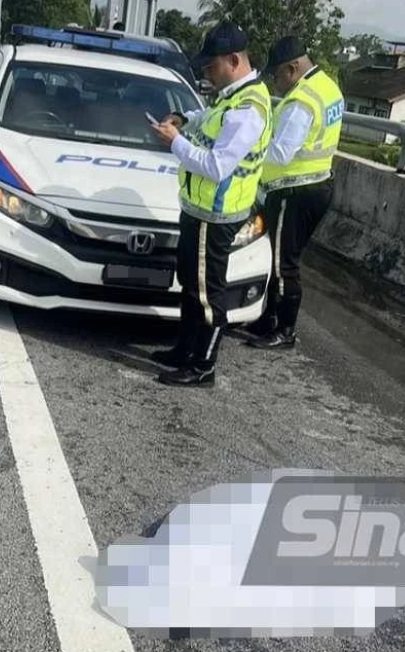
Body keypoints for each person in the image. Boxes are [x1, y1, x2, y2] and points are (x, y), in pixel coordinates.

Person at [147, 22, 273, 387]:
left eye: (210, 66)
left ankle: (203, 366)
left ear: (233, 60)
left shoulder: (249, 109)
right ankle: (184, 349)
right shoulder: (234, 95)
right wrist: (185, 121)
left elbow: (217, 167)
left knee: (207, 293)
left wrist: (175, 142)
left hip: (215, 216)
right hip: (198, 210)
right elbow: (211, 120)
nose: (206, 73)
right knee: (189, 282)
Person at [243, 36, 344, 350]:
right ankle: (267, 319)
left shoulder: (301, 101)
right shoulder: (327, 87)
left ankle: (284, 330)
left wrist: (248, 148)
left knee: (283, 263)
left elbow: (279, 153)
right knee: (280, 257)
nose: (275, 82)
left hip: (294, 191)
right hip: (317, 185)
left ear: (293, 67)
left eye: (277, 75)